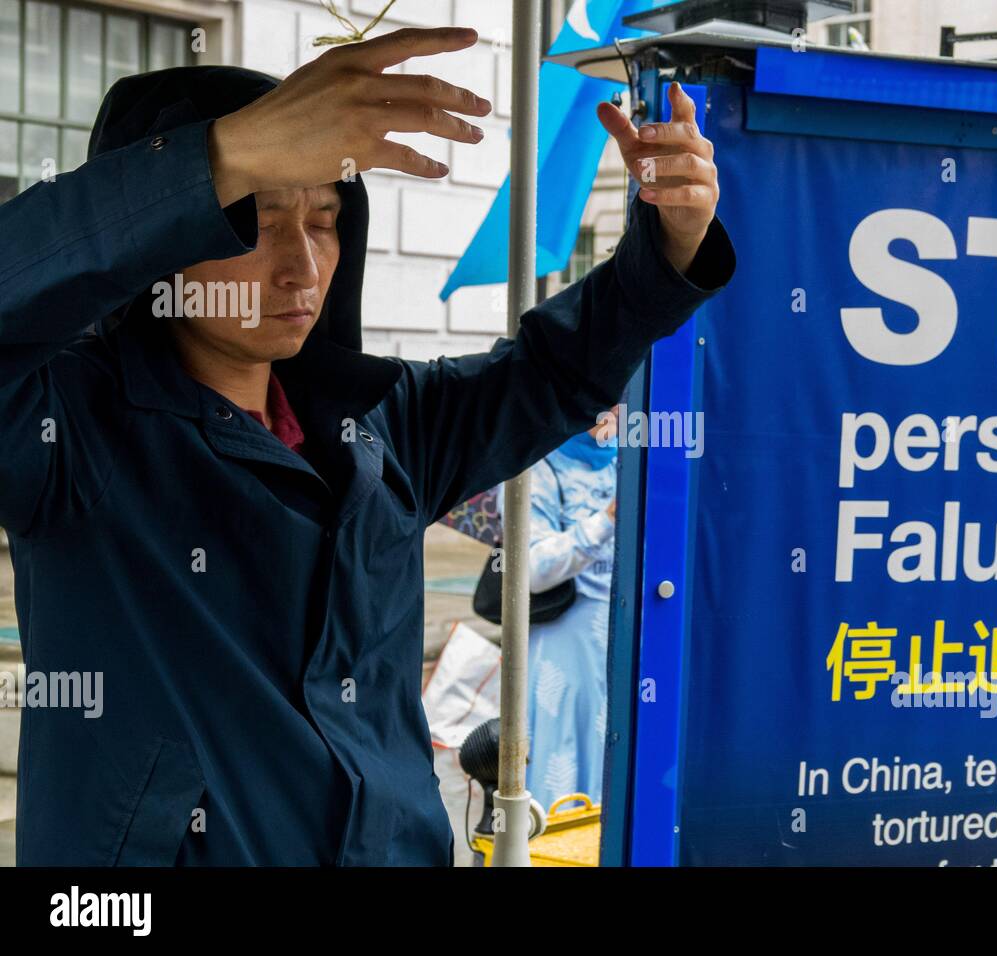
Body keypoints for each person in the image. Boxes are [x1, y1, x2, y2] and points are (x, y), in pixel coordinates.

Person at [0, 27, 735, 865]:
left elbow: (552, 371)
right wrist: (223, 152)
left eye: (323, 219)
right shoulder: (63, 428)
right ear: (160, 239)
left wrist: (667, 243)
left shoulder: (385, 421)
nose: (301, 267)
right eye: (255, 221)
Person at [500, 408, 619, 813]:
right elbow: (529, 569)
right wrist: (605, 521)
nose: (616, 412)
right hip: (564, 644)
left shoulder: (632, 457)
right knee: (564, 757)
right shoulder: (536, 464)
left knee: (616, 761)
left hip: (625, 638)